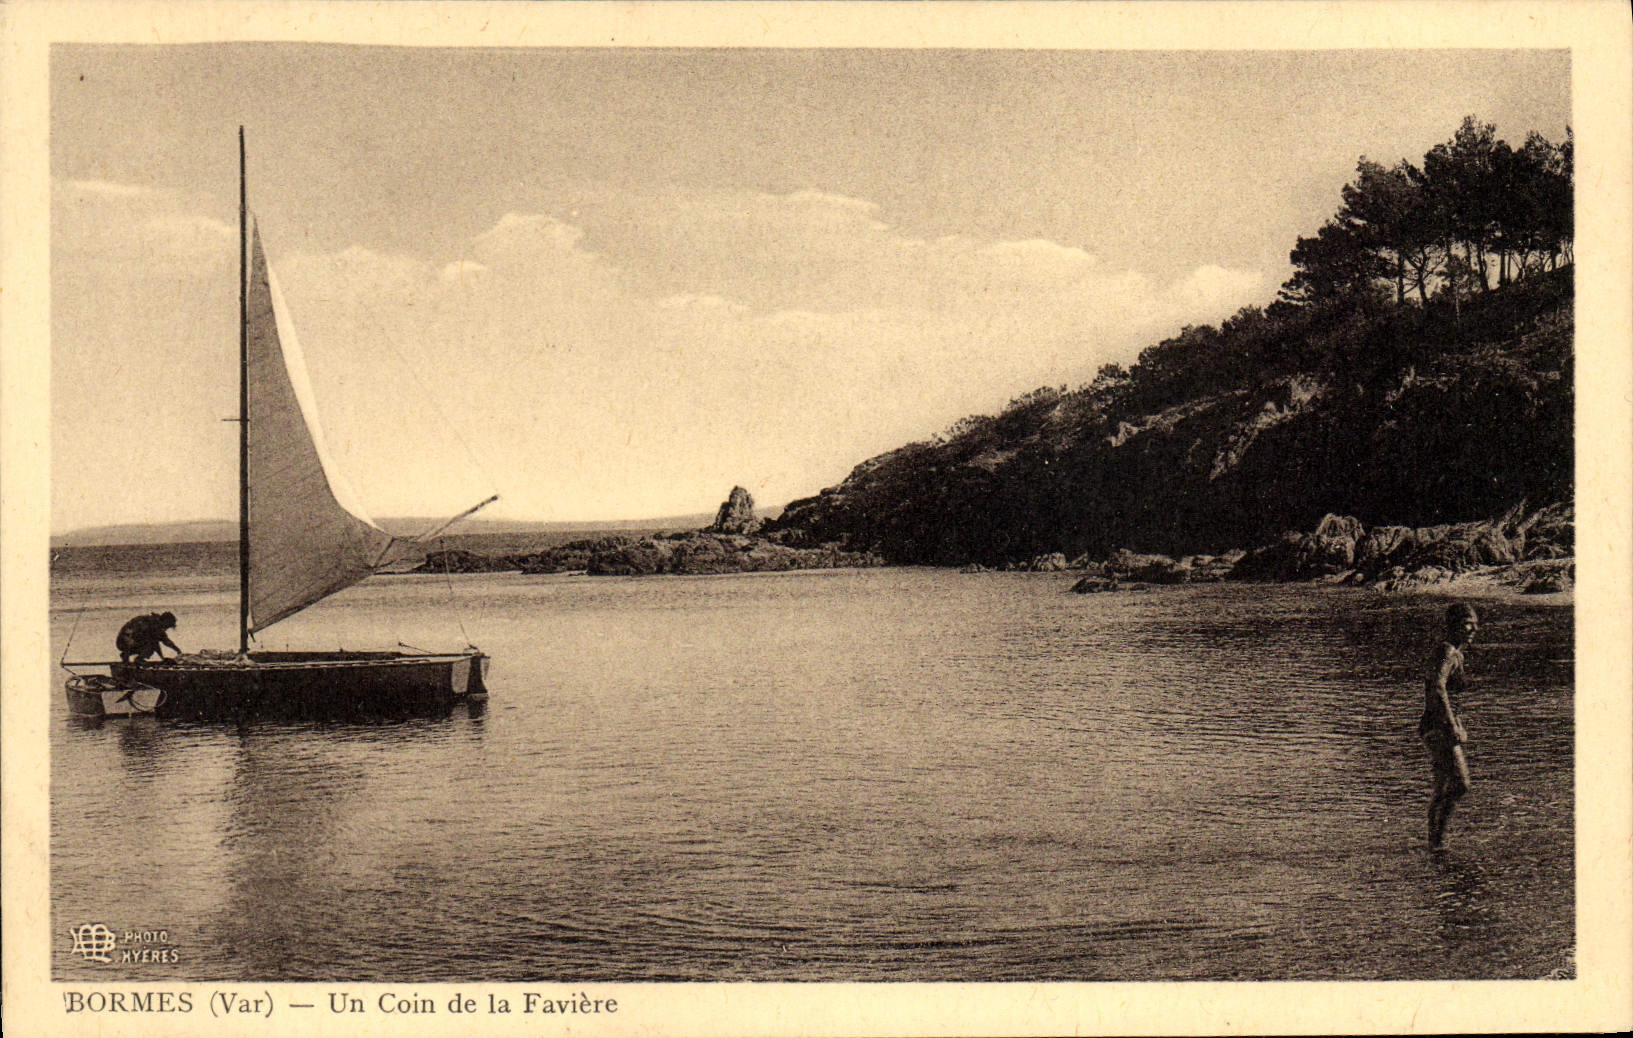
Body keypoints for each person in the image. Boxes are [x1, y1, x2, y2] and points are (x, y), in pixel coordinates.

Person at [1421, 603, 1478, 850]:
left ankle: (1435, 844)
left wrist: (1459, 723)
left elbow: (1451, 695)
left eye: (1475, 623)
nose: (1473, 628)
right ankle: (1436, 844)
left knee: (1445, 785)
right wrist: (1452, 725)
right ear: (1453, 624)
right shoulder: (1447, 652)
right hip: (1438, 726)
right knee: (1461, 783)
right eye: (1468, 622)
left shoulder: (1455, 653)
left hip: (1436, 725)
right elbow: (1437, 687)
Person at [116, 611, 181, 663]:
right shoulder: (152, 623)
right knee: (150, 647)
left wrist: (177, 650)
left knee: (149, 645)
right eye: (168, 626)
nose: (167, 628)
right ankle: (137, 659)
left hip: (125, 642)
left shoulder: (156, 622)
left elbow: (165, 640)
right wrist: (162, 658)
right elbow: (155, 643)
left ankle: (126, 655)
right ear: (165, 621)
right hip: (123, 642)